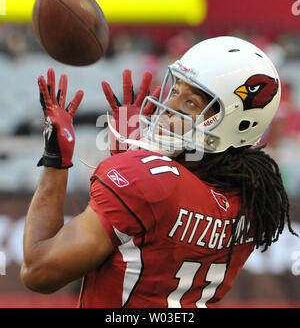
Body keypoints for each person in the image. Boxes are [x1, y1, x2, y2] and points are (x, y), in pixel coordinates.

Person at [21, 36, 297, 308]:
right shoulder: (253, 197)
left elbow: (38, 272)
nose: (168, 108)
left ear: (229, 124)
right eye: (175, 90)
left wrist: (55, 160)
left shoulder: (145, 180)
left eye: (190, 103)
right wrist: (136, 158)